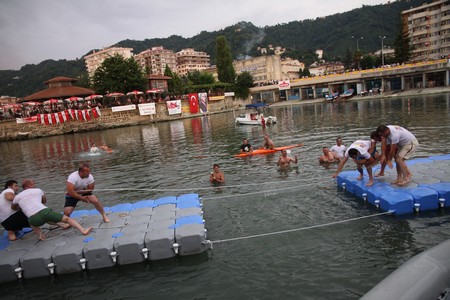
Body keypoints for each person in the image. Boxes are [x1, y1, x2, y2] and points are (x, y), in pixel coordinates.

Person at [12, 179, 92, 240]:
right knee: (67, 219)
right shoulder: (38, 190)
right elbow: (44, 201)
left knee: (33, 223)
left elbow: (13, 207)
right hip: (44, 212)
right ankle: (83, 230)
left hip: (33, 219)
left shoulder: (17, 197)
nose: (34, 185)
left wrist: (20, 206)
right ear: (29, 185)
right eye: (33, 184)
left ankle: (41, 236)